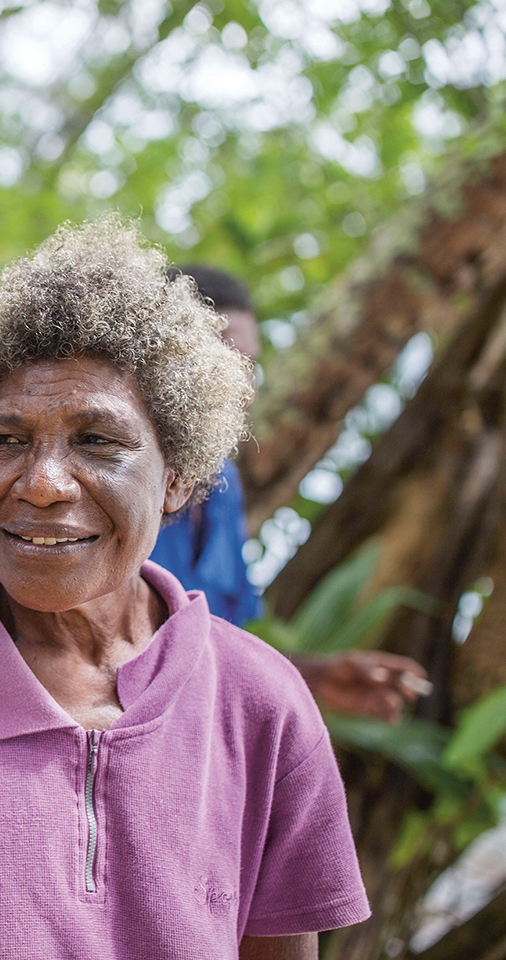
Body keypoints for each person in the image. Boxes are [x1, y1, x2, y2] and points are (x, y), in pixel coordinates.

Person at [0, 219, 370, 960]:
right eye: (6, 440)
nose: (45, 483)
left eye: (98, 440)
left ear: (179, 476)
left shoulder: (263, 707)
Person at [152, 264, 429, 723]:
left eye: (251, 364)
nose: (242, 384)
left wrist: (313, 676)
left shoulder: (224, 488)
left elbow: (223, 641)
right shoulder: (101, 483)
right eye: (219, 357)